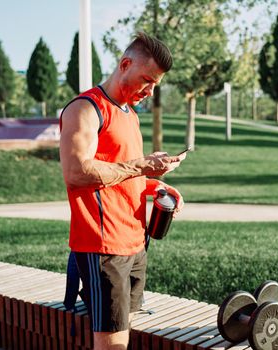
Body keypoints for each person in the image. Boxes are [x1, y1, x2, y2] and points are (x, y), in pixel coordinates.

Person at [59, 32, 184, 349]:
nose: (150, 91)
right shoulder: (86, 109)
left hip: (135, 243)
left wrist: (157, 186)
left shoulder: (129, 114)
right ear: (125, 64)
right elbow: (77, 172)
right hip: (104, 248)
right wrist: (143, 166)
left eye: (155, 84)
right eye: (146, 80)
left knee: (126, 329)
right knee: (111, 342)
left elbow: (123, 172)